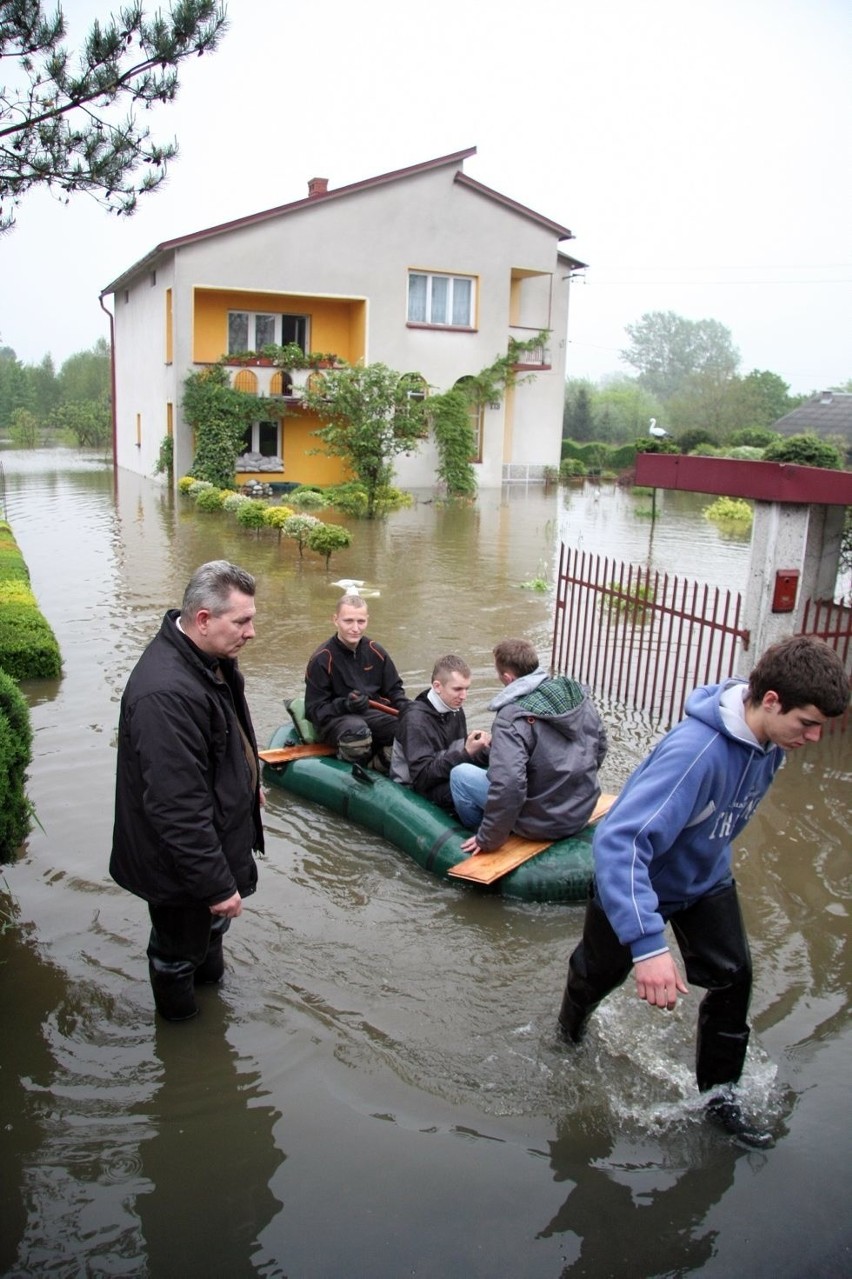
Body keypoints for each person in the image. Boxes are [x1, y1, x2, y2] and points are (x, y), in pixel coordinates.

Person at [556, 634, 849, 1148]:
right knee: (595, 977)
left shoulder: (771, 743)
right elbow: (618, 842)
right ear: (772, 701)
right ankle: (565, 1039)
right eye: (807, 724)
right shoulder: (696, 753)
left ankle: (719, 1098)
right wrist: (649, 945)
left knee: (733, 978)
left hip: (704, 878)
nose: (813, 739)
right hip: (637, 883)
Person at [110, 561, 264, 1022]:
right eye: (241, 621)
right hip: (177, 864)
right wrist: (217, 885)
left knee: (209, 931)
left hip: (206, 848)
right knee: (177, 950)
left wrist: (247, 781)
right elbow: (176, 808)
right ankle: (182, 1031)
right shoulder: (166, 693)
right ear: (202, 619)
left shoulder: (209, 660)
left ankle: (210, 989)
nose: (251, 632)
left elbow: (222, 740)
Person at [450, 638, 608, 852]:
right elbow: (600, 747)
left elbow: (510, 784)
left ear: (507, 677)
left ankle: (479, 834)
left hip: (539, 823)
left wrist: (489, 838)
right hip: (581, 810)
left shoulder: (510, 718)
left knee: (460, 775)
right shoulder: (576, 695)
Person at [304, 593, 409, 770]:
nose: (355, 628)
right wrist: (346, 705)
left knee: (410, 729)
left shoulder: (376, 651)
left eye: (361, 621)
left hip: (371, 712)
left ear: (367, 620)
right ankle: (350, 766)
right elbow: (314, 711)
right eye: (348, 621)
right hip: (336, 719)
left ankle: (378, 763)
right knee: (358, 733)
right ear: (335, 620)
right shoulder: (322, 659)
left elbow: (395, 690)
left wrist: (409, 709)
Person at [390, 654, 491, 809]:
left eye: (466, 689)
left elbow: (456, 756)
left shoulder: (455, 709)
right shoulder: (415, 720)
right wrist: (466, 754)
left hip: (447, 775)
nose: (464, 696)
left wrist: (488, 749)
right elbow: (422, 779)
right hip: (418, 790)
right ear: (437, 686)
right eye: (457, 689)